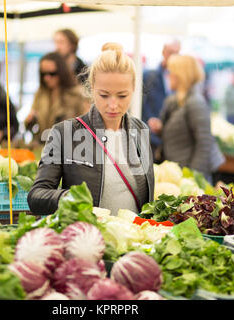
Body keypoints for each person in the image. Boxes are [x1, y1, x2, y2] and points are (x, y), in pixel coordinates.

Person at [27, 43, 155, 216]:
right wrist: (72, 199)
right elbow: (36, 196)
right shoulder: (64, 133)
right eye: (104, 95)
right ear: (92, 88)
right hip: (89, 238)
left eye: (122, 95)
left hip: (135, 239)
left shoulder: (140, 131)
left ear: (133, 90)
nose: (113, 105)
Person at [148, 54, 225, 183]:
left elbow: (204, 144)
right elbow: (182, 134)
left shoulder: (195, 102)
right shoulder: (176, 100)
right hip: (179, 173)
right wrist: (161, 129)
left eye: (170, 72)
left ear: (180, 75)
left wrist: (192, 178)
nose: (168, 76)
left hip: (190, 177)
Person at [24, 52, 89, 143]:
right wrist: (29, 120)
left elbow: (86, 127)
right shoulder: (40, 93)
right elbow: (29, 121)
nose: (47, 78)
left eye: (52, 73)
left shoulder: (77, 95)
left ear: (61, 72)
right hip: (42, 146)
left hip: (68, 148)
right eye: (43, 74)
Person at [141, 40, 181, 161]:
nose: (173, 56)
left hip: (170, 142)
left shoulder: (181, 79)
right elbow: (142, 105)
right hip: (149, 138)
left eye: (176, 53)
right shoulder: (149, 76)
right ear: (163, 52)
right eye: (170, 52)